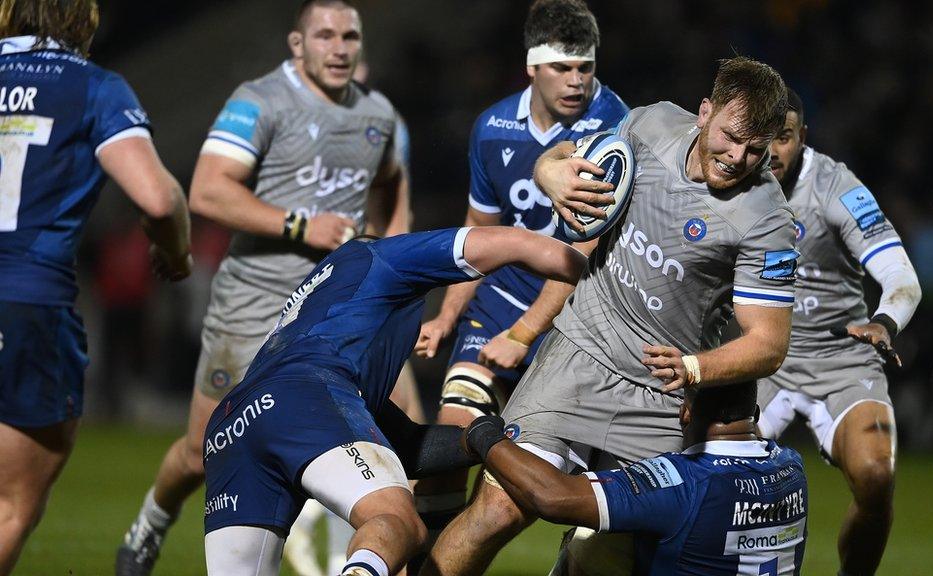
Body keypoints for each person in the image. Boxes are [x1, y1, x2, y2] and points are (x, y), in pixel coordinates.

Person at [424, 56, 798, 576]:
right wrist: (548, 171)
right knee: (498, 509)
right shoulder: (649, 125)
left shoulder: (769, 221)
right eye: (730, 137)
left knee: (609, 556)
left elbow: (769, 342)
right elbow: (567, 156)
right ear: (704, 113)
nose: (738, 157)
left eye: (755, 149)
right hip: (579, 353)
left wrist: (695, 370)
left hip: (661, 395)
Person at [117, 2, 408, 574]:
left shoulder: (378, 114)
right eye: (325, 35)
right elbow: (206, 191)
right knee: (205, 450)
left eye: (350, 36)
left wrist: (392, 255)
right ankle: (152, 518)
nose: (340, 47)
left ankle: (371, 550)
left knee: (383, 440)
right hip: (255, 303)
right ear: (297, 45)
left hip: (335, 316)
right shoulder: (260, 100)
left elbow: (392, 186)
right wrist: (301, 224)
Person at [203, 226, 589, 576]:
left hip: (230, 425)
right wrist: (605, 283)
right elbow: (515, 243)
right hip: (307, 395)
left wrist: (483, 440)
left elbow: (403, 443)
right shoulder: (381, 256)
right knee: (397, 520)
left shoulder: (314, 316)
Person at [413, 0, 628, 539]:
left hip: (579, 323)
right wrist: (445, 316)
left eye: (586, 66)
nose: (577, 80)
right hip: (499, 306)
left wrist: (524, 333)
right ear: (532, 65)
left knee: (568, 493)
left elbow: (582, 254)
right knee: (447, 442)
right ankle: (423, 564)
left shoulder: (616, 128)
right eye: (563, 66)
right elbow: (478, 235)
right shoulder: (493, 128)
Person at [0, 1, 192, 573]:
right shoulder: (93, 87)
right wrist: (173, 251)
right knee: (11, 502)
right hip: (27, 300)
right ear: (85, 19)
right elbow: (158, 199)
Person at [756, 88, 921, 576]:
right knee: (690, 474)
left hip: (840, 359)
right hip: (759, 357)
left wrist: (883, 321)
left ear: (802, 137)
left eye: (783, 137)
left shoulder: (836, 188)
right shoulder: (732, 177)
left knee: (875, 476)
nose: (770, 151)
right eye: (761, 137)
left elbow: (902, 278)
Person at [283, 58, 421, 576]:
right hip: (317, 286)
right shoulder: (299, 122)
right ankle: (324, 529)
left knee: (386, 414)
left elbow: (395, 195)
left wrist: (396, 266)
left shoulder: (384, 124)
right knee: (356, 417)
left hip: (367, 281)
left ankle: (349, 543)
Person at [462, 381, 808, 575]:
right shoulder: (792, 467)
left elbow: (552, 497)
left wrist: (485, 435)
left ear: (685, 413)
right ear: (756, 413)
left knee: (595, 537)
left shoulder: (685, 483)